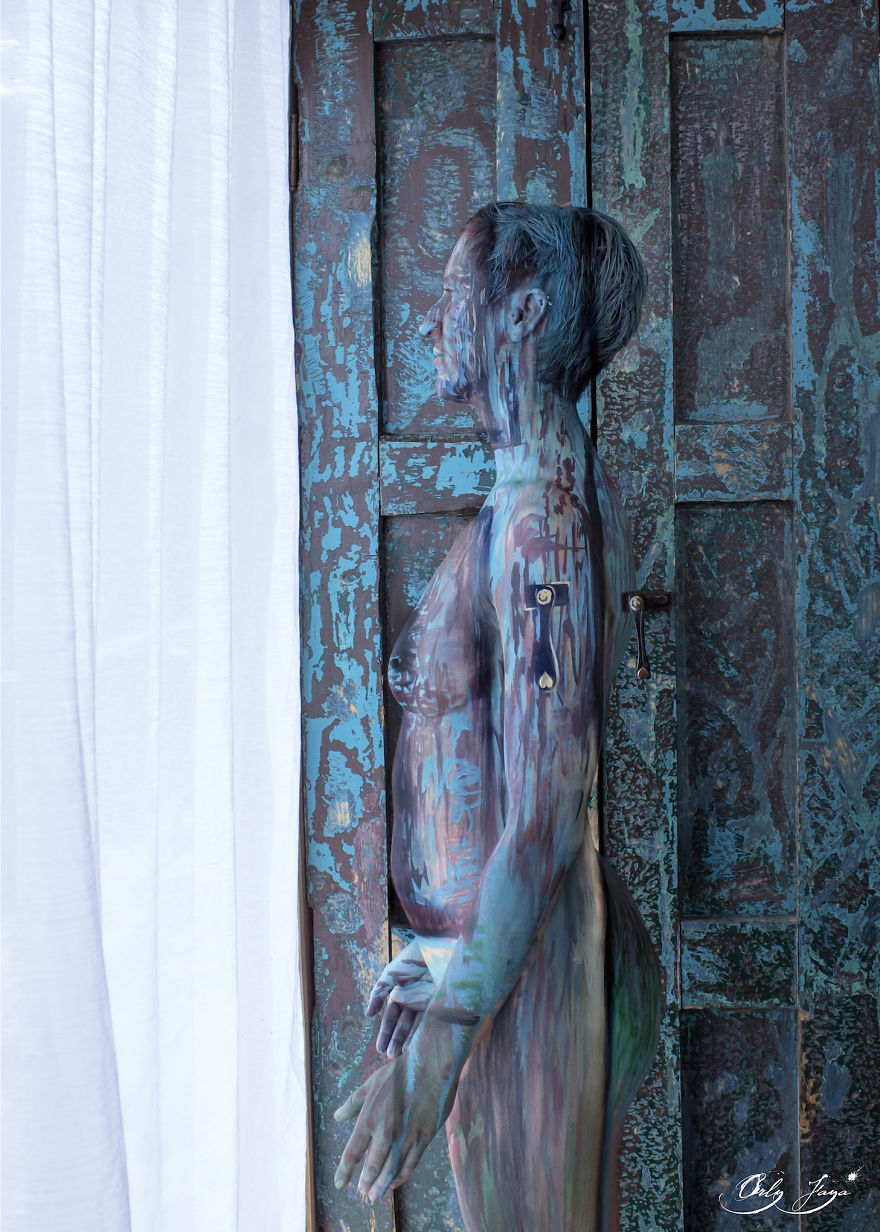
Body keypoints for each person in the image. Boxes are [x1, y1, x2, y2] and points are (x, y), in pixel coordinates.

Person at [334, 203, 661, 1231]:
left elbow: (546, 815)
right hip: (511, 968)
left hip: (542, 980)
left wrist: (445, 1037)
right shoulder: (529, 500)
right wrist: (443, 955)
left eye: (450, 295)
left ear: (520, 312)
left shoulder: (544, 526)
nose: (431, 321)